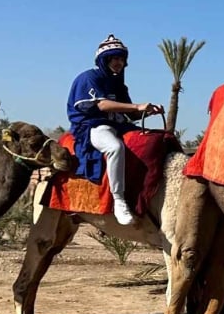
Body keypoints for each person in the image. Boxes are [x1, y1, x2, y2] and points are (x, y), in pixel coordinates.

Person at [66, 35, 162, 225]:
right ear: (104, 60)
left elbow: (131, 115)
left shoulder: (118, 84)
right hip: (93, 124)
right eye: (114, 58)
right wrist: (137, 107)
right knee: (115, 148)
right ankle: (118, 200)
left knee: (151, 142)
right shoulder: (89, 78)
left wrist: (150, 111)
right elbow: (102, 105)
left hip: (118, 124)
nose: (118, 62)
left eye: (121, 59)